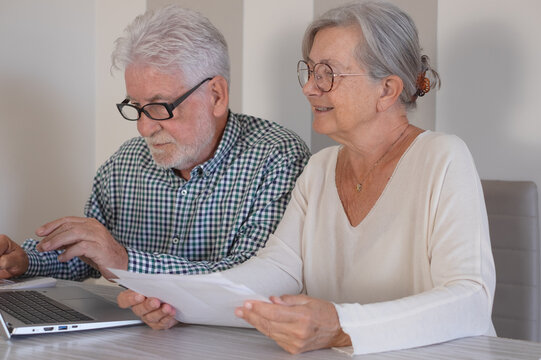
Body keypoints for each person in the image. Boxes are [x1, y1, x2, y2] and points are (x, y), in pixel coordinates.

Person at [117, 1, 496, 355]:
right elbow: (275, 272)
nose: (309, 87)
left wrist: (340, 325)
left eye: (328, 73)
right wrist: (174, 300)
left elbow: (470, 299)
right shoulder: (320, 168)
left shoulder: (443, 157)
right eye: (311, 70)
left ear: (387, 89)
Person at [0, 6, 309, 281]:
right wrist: (27, 260)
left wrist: (125, 261)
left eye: (160, 107)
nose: (143, 127)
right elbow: (90, 259)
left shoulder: (278, 159)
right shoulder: (126, 164)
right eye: (135, 106)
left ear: (216, 95)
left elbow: (253, 278)